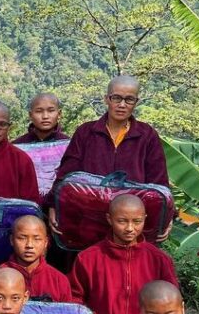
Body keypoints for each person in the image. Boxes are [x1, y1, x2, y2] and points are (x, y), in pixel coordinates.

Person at [51, 75, 170, 241]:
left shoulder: (147, 135)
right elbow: (66, 174)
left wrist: (168, 214)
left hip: (130, 224)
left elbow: (158, 181)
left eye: (129, 99)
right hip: (89, 218)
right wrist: (52, 205)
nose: (122, 105)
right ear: (106, 99)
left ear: (136, 102)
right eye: (116, 98)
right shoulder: (86, 132)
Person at [69, 195, 178, 314]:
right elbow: (74, 297)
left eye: (137, 221)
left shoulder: (159, 259)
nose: (130, 228)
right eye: (122, 221)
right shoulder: (87, 258)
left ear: (144, 219)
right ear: (109, 219)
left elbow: (172, 298)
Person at [2, 215, 73, 303]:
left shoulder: (59, 280)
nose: (29, 245)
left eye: (37, 239)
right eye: (22, 238)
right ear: (12, 240)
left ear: (46, 242)